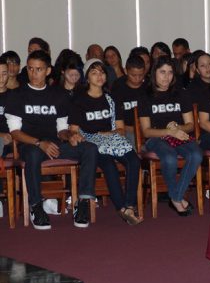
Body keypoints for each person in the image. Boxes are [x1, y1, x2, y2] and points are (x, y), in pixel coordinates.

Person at [5, 50, 98, 230]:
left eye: (39, 69)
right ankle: (36, 205)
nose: (33, 73)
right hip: (30, 145)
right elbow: (15, 132)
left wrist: (70, 136)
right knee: (33, 154)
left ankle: (83, 202)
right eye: (30, 69)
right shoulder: (17, 95)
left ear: (48, 71)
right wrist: (39, 143)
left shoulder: (58, 95)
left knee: (90, 148)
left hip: (55, 144)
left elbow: (61, 130)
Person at [69, 59, 142, 225]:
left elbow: (121, 129)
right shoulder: (79, 100)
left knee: (134, 160)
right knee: (109, 166)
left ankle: (129, 206)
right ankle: (122, 208)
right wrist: (82, 137)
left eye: (102, 72)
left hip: (112, 139)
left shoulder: (112, 99)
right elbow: (74, 130)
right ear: (87, 77)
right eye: (94, 73)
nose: (99, 76)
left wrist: (108, 133)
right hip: (92, 143)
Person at [138, 56, 202, 216]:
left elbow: (190, 125)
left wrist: (177, 128)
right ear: (154, 73)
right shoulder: (145, 96)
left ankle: (175, 197)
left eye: (170, 72)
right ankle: (178, 199)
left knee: (196, 154)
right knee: (169, 157)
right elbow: (146, 131)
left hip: (179, 135)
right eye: (162, 72)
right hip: (156, 137)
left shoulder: (181, 93)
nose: (166, 77)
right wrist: (168, 131)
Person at [111, 55, 147, 146]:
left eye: (141, 75)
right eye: (133, 75)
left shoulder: (148, 86)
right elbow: (116, 119)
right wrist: (135, 130)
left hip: (147, 129)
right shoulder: (118, 87)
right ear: (126, 71)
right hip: (126, 129)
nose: (137, 79)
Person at [0, 57, 13, 156]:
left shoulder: (15, 96)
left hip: (13, 139)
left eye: (4, 74)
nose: (1, 78)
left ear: (8, 74)